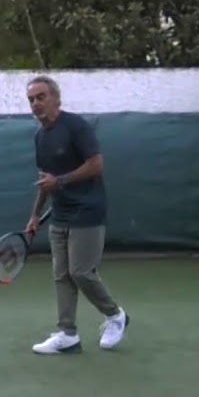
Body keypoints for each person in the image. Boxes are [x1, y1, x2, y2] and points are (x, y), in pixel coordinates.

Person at [23, 75, 130, 354]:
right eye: (31, 99)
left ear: (56, 98)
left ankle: (115, 315)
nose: (36, 103)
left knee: (81, 271)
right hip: (60, 214)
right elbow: (44, 179)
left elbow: (96, 165)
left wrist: (60, 181)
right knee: (62, 276)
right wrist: (35, 215)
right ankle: (67, 334)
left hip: (88, 210)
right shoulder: (39, 137)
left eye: (41, 97)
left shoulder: (76, 126)